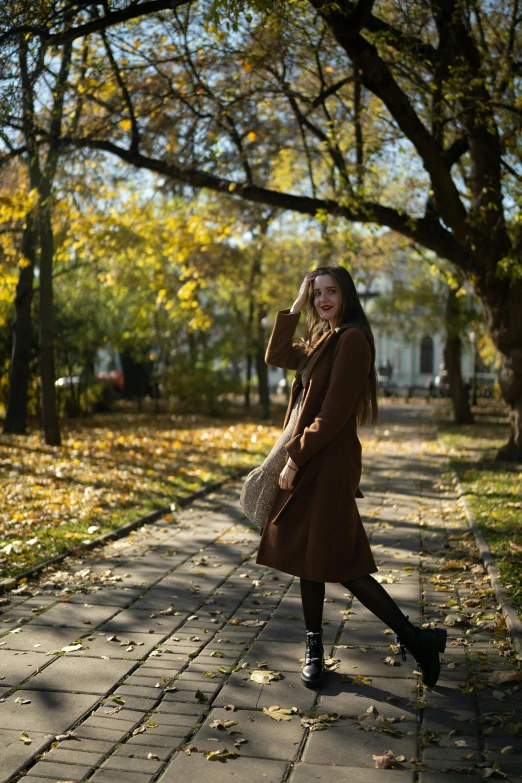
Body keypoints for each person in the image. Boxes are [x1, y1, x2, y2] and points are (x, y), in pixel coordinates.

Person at [256, 266, 447, 689]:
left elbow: (333, 414)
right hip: (314, 463)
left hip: (327, 466)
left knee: (339, 562)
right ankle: (325, 647)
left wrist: (294, 459)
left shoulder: (352, 340)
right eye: (317, 292)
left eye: (331, 291)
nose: (323, 299)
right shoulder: (324, 338)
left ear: (347, 295)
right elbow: (277, 355)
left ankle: (414, 640)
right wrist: (295, 303)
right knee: (314, 558)